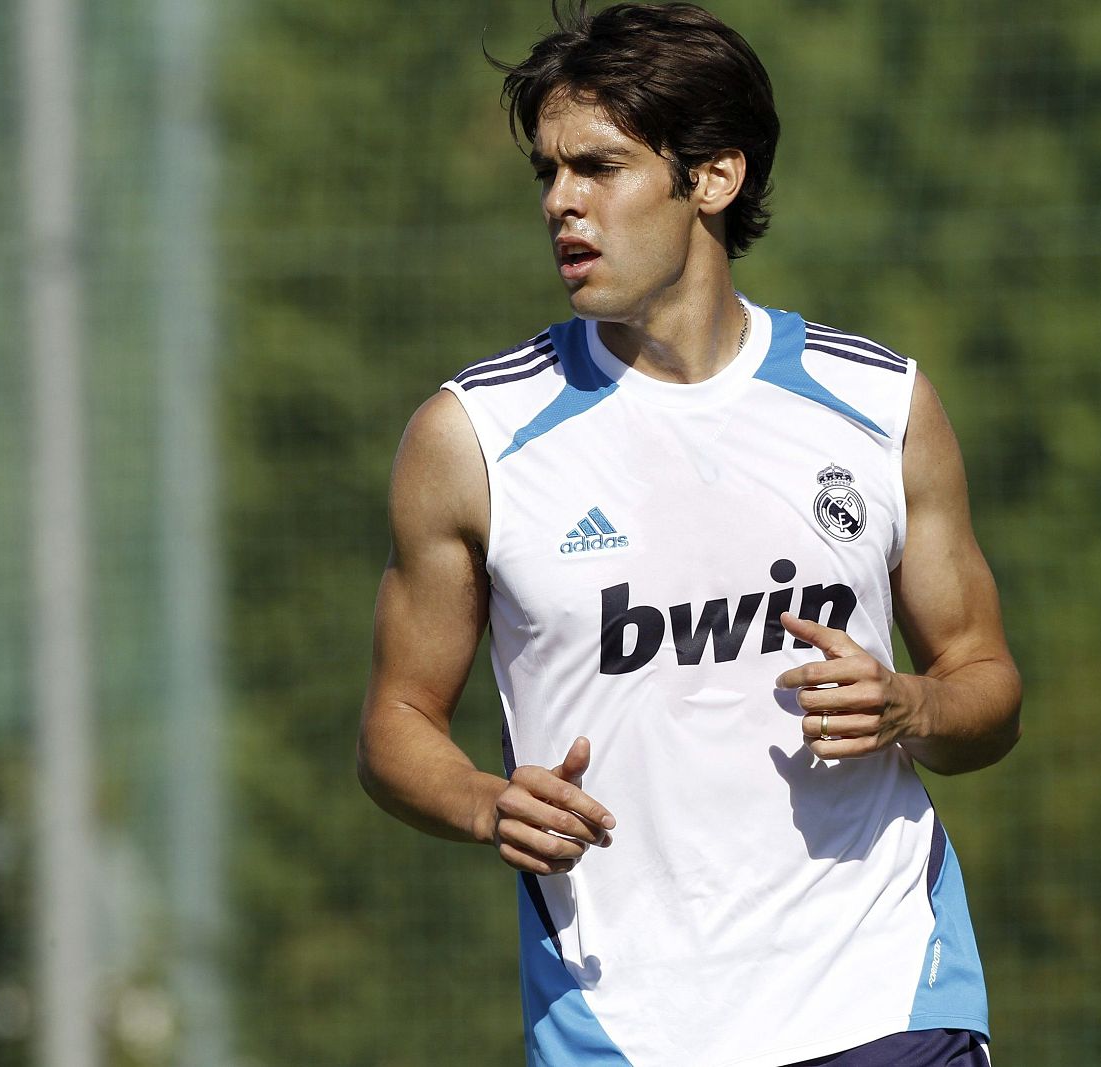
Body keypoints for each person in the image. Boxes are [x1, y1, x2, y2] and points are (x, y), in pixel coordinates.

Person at [356, 4, 1022, 1064]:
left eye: (599, 167)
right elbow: (395, 721)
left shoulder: (880, 403)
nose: (561, 204)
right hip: (622, 1028)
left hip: (883, 995)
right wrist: (486, 803)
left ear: (712, 178)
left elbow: (985, 688)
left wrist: (915, 704)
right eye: (547, 173)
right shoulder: (470, 437)